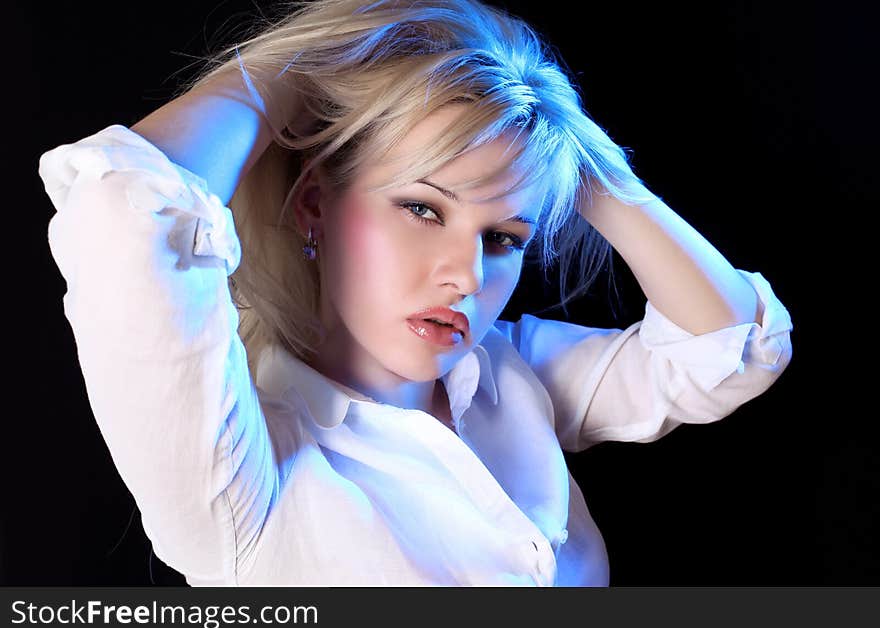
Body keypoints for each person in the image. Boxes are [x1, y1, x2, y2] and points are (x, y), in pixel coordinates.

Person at [38, 0, 793, 586]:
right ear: (314, 204)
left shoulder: (508, 375)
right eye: (423, 209)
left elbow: (726, 350)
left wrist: (574, 157)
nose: (464, 276)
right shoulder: (241, 475)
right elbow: (124, 213)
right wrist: (291, 75)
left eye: (502, 238)